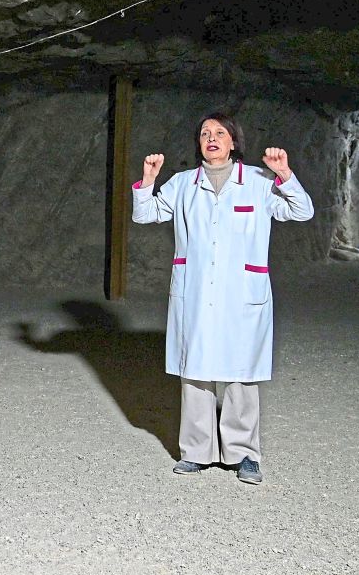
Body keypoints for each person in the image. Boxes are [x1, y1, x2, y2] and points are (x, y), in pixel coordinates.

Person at [132, 112, 313, 485]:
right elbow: (146, 214)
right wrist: (147, 182)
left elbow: (301, 210)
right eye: (204, 133)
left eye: (219, 132)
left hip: (242, 294)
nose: (211, 138)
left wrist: (286, 176)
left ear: (234, 142)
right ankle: (196, 452)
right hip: (196, 292)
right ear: (198, 144)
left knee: (240, 374)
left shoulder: (260, 183)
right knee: (195, 373)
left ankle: (244, 454)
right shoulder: (183, 184)